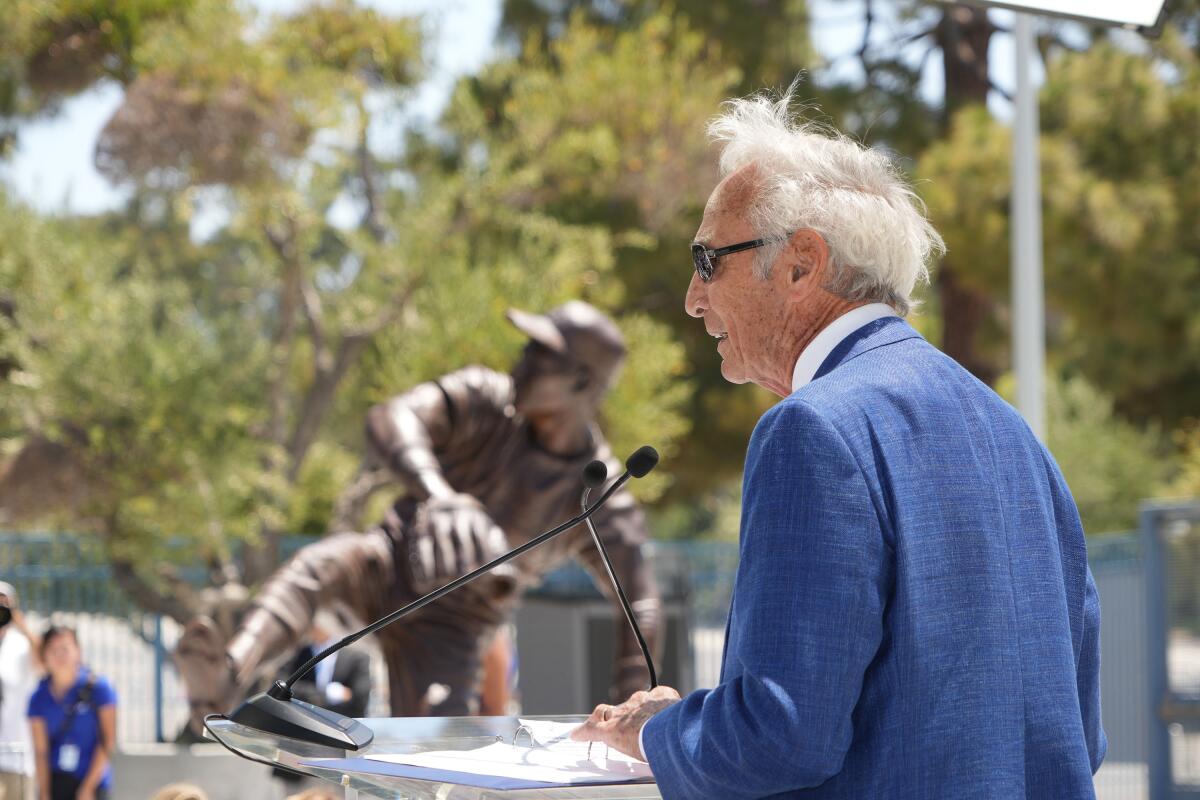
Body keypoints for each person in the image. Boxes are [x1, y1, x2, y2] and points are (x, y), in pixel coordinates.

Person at [572, 87, 1106, 798]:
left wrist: (654, 732)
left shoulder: (812, 430)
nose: (692, 300)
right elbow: (1080, 735)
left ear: (800, 264)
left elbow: (778, 737)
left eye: (707, 261)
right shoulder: (1016, 437)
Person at [175, 301, 660, 735]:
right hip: (386, 561)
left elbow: (641, 604)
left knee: (431, 744)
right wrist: (438, 493)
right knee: (317, 567)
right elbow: (391, 416)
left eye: (540, 354)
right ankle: (226, 678)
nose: (521, 360)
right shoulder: (487, 397)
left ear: (579, 381)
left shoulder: (599, 487)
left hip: (453, 630)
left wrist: (633, 705)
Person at [27, 627, 116, 800]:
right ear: (44, 655)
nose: (59, 655)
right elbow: (40, 751)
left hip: (92, 782)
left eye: (65, 648)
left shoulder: (99, 689)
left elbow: (108, 742)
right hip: (56, 782)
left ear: (78, 651)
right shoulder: (38, 697)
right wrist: (44, 793)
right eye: (53, 649)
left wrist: (87, 788)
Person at [276, 610, 370, 721]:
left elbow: (360, 698)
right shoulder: (297, 654)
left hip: (344, 724)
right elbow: (281, 685)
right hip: (304, 721)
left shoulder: (357, 657)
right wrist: (325, 693)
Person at [0, 583, 41, 800]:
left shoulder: (22, 646)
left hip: (15, 757)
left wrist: (21, 624)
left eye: (4, 605)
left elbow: (46, 664)